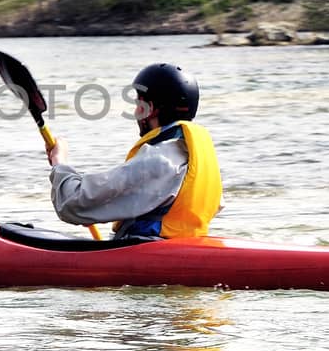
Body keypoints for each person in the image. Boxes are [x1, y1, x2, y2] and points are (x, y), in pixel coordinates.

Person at [46, 63, 222, 239]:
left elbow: (72, 203)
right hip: (185, 246)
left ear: (150, 109)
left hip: (148, 253)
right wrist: (99, 209)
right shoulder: (198, 158)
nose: (136, 111)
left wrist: (59, 162)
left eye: (138, 104)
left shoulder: (158, 161)